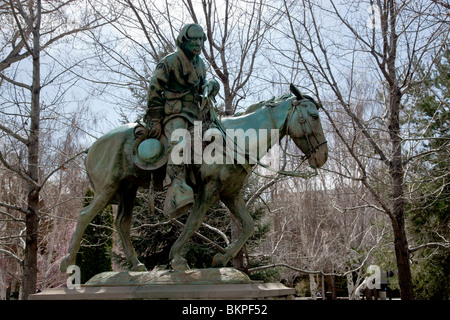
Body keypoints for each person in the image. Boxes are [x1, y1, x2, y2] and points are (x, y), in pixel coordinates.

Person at [144, 23, 219, 219]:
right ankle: (176, 188)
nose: (198, 43)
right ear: (183, 41)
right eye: (194, 39)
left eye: (201, 39)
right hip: (174, 113)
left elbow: (201, 84)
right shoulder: (169, 62)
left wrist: (211, 85)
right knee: (178, 143)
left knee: (211, 142)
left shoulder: (200, 64)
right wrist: (154, 117)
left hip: (195, 113)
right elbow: (154, 88)